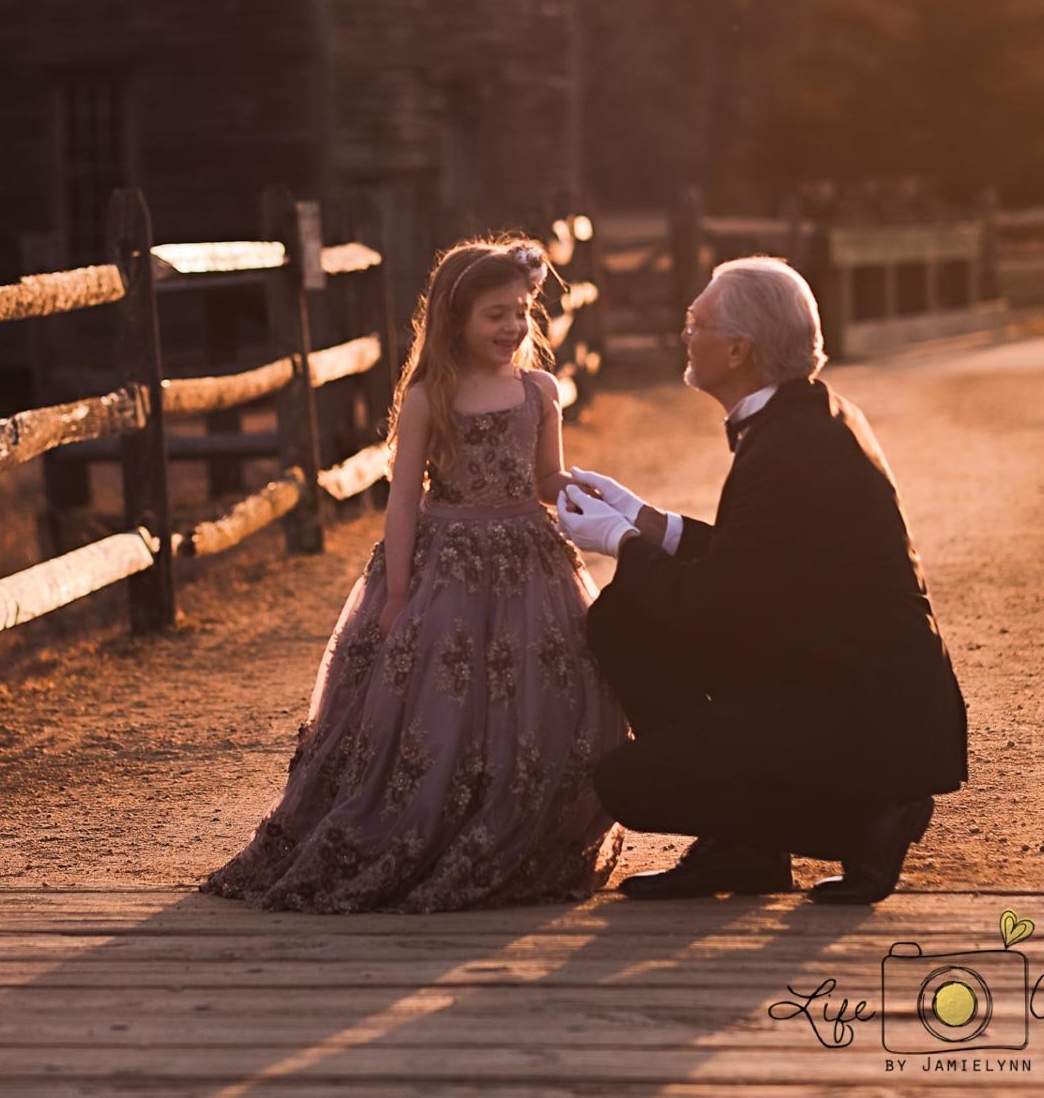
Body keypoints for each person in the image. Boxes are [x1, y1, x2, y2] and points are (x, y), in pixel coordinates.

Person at [200, 234, 627, 913]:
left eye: (521, 311)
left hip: (528, 560)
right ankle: (427, 819)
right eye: (496, 314)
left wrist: (587, 496)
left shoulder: (541, 390)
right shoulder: (433, 396)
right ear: (455, 318)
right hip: (448, 562)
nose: (513, 326)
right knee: (441, 700)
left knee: (539, 688)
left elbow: (545, 478)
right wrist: (397, 594)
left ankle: (524, 821)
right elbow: (403, 498)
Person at [557, 254, 968, 903]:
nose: (684, 333)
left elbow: (712, 609)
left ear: (738, 349)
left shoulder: (789, 447)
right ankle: (744, 852)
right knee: (625, 619)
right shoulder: (806, 416)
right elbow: (760, 561)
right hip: (831, 673)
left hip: (861, 712)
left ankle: (865, 823)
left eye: (696, 322)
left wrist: (619, 541)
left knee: (630, 783)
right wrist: (648, 521)